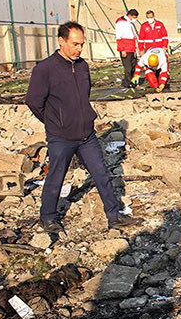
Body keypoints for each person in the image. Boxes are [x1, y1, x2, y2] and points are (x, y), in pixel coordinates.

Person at [25, 22, 143, 233]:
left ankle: (114, 215)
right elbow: (33, 101)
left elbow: (84, 96)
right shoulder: (45, 69)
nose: (78, 49)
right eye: (74, 44)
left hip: (86, 134)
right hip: (61, 136)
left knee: (101, 174)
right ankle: (48, 217)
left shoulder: (82, 66)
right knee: (56, 176)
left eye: (81, 44)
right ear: (61, 41)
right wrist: (54, 121)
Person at [115, 9, 139, 88]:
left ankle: (131, 81)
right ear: (130, 16)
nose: (134, 19)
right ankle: (127, 83)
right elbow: (118, 37)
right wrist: (122, 50)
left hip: (132, 47)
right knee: (128, 67)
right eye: (134, 17)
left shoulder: (130, 23)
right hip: (125, 48)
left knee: (133, 66)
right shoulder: (121, 23)